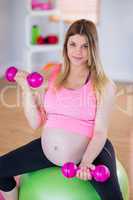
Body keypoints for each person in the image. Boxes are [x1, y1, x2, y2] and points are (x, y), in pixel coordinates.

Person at [0, 19, 123, 200]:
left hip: (92, 152)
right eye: (73, 44)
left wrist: (86, 163)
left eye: (85, 46)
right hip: (47, 151)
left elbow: (100, 131)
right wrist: (26, 89)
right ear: (66, 45)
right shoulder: (53, 73)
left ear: (93, 48)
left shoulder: (104, 84)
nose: (78, 52)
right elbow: (35, 122)